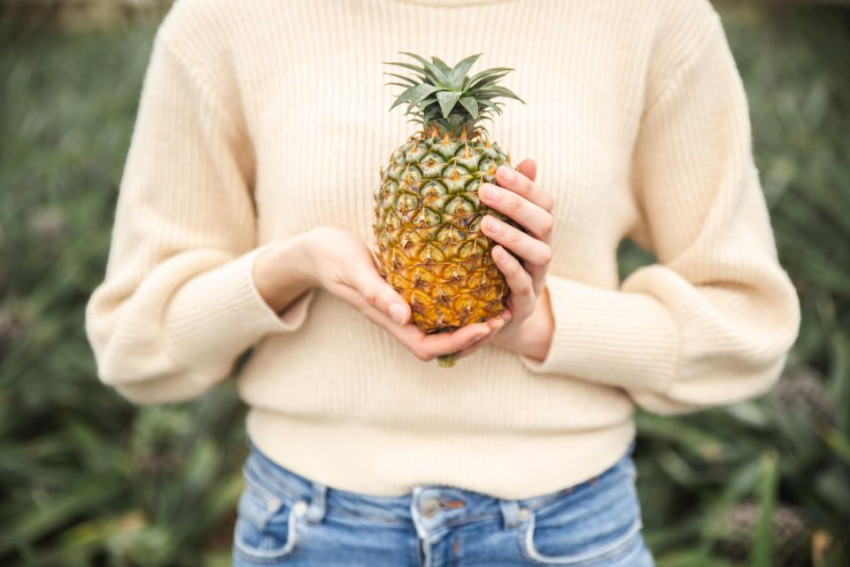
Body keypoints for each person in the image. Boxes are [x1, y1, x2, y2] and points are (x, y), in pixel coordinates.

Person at [85, 0, 801, 565]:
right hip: (309, 531)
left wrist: (541, 324)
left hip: (569, 529)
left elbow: (746, 323)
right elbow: (133, 344)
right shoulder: (225, 17)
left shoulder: (654, 16)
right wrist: (291, 268)